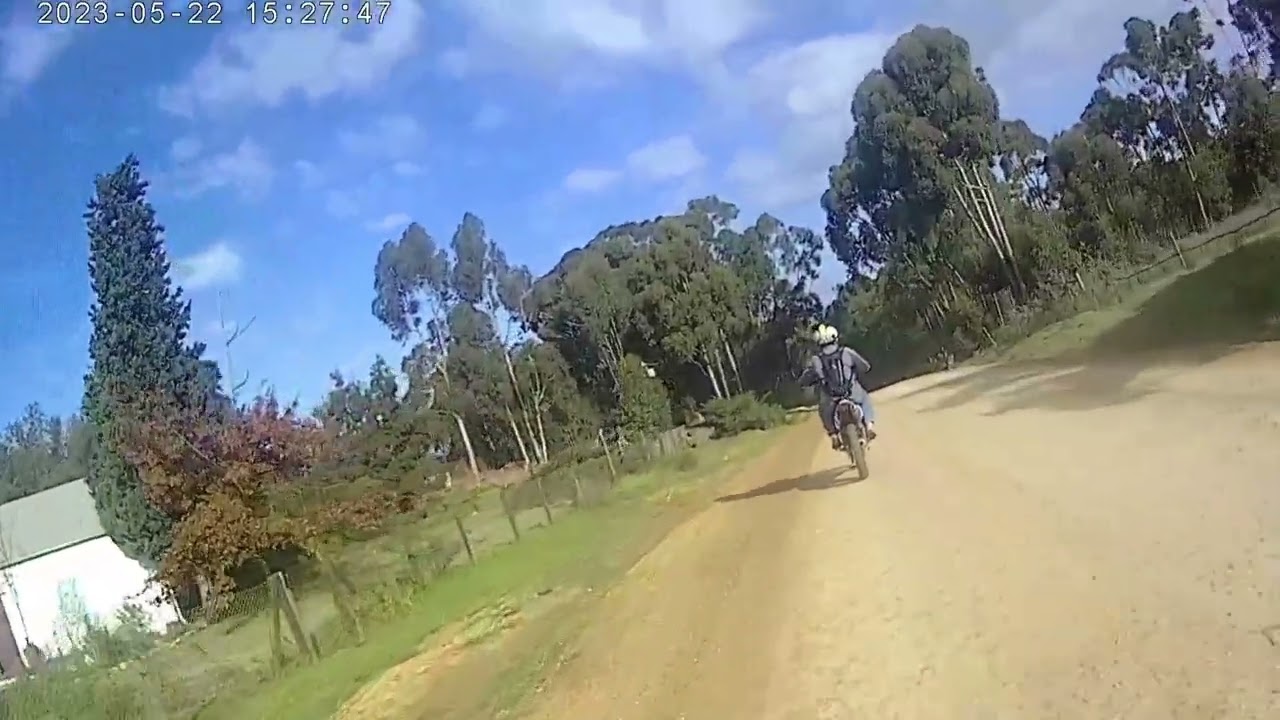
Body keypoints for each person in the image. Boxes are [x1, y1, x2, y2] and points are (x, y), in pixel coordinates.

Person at [799, 324, 876, 450]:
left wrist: (807, 381)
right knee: (865, 399)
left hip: (831, 399)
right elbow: (865, 367)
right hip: (852, 393)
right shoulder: (847, 352)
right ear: (835, 338)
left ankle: (834, 436)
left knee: (823, 410)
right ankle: (868, 427)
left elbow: (806, 378)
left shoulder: (816, 359)